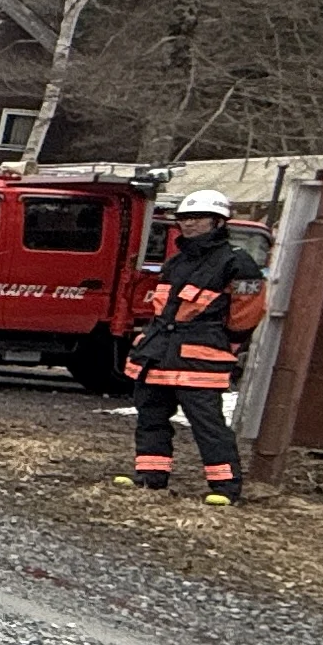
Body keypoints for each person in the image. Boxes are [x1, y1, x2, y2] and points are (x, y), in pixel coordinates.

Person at [120, 189, 267, 504]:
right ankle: (150, 478)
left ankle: (225, 488)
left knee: (208, 426)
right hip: (159, 356)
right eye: (184, 219)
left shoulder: (237, 262)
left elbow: (247, 313)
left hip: (200, 361)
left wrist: (223, 343)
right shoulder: (176, 262)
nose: (189, 225)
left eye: (197, 219)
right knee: (151, 417)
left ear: (217, 221)